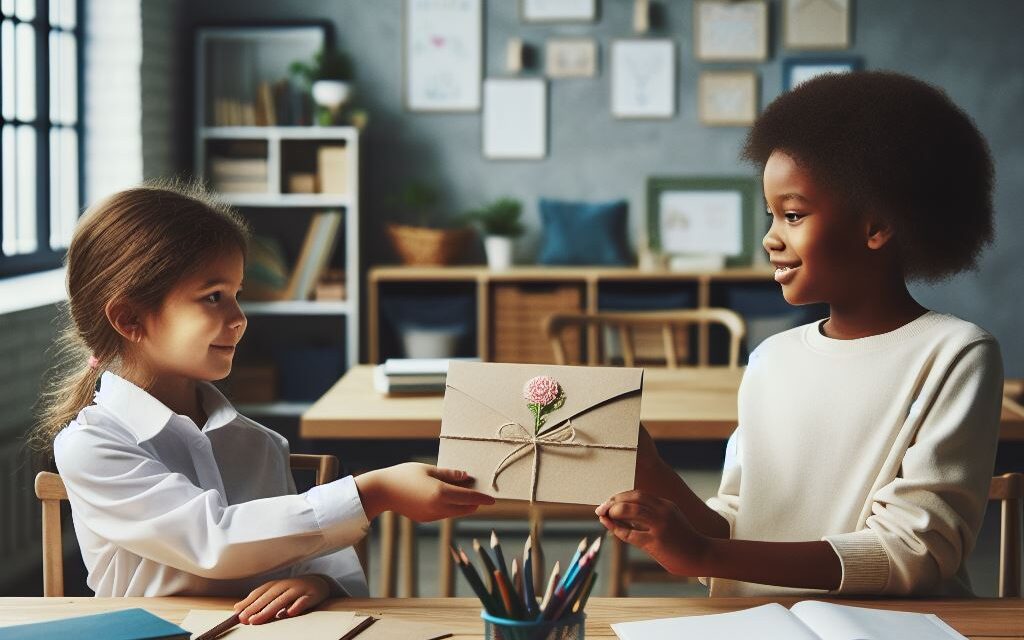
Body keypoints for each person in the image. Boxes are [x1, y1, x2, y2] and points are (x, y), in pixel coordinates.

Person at [596, 71, 1004, 596]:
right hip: (760, 626)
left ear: (877, 226)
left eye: (792, 215)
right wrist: (651, 472)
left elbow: (915, 552)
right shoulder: (771, 358)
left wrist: (706, 552)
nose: (769, 238)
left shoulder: (955, 353)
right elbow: (740, 528)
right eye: (772, 215)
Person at [33, 183, 495, 623]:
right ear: (129, 317)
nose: (238, 319)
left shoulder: (259, 444)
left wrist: (319, 582)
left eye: (237, 295)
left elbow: (321, 557)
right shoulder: (91, 445)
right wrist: (374, 492)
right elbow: (214, 539)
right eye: (213, 297)